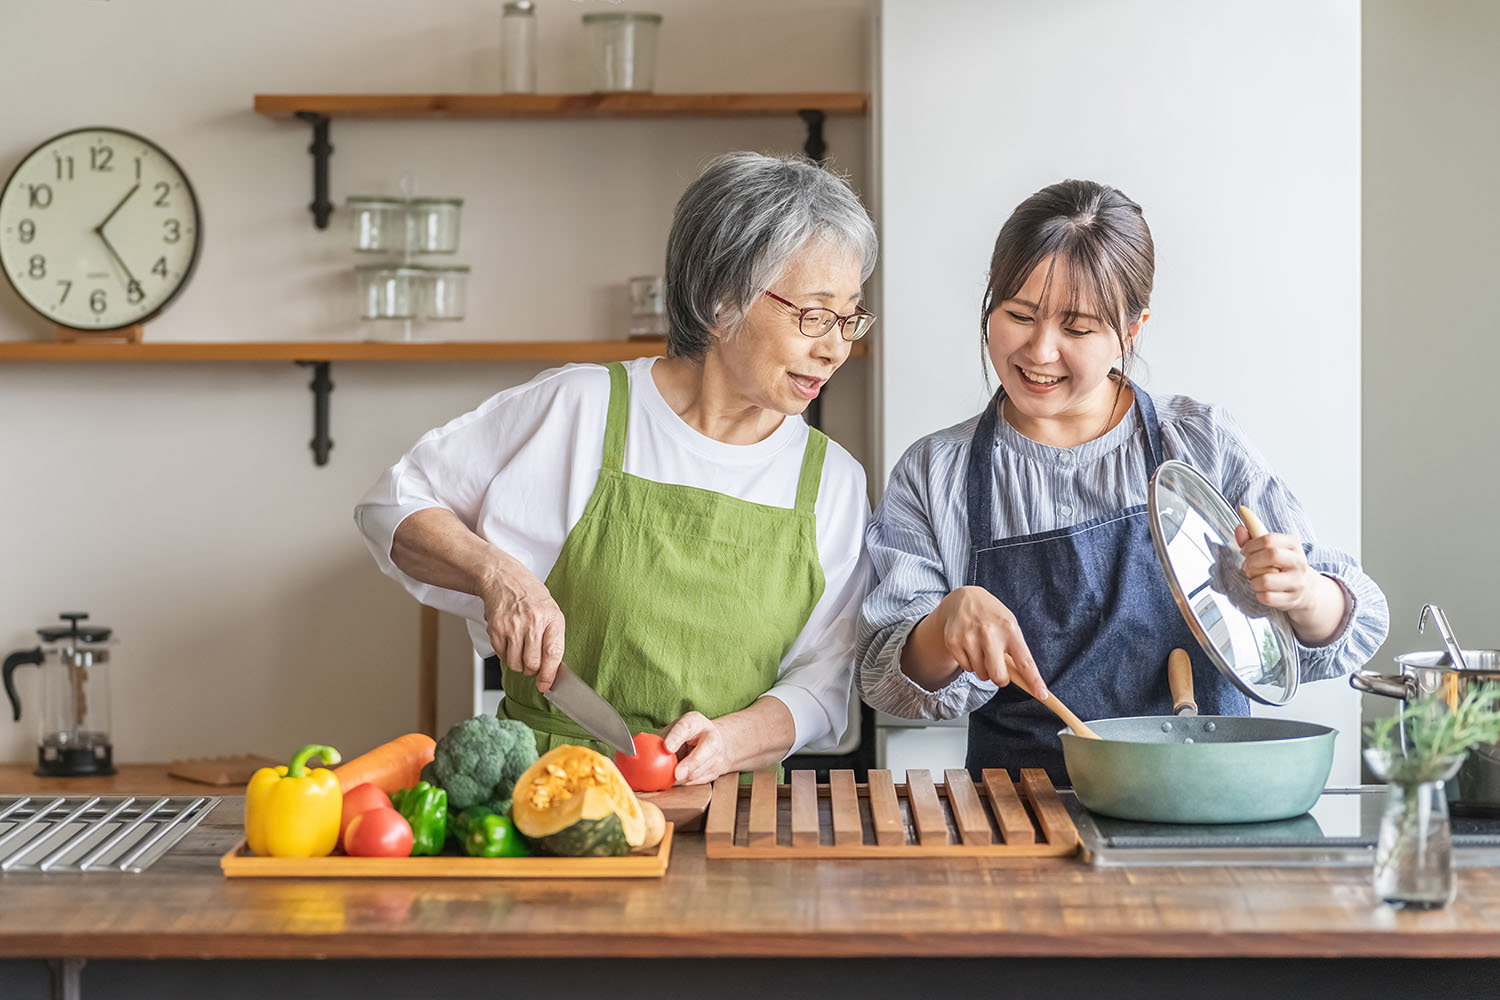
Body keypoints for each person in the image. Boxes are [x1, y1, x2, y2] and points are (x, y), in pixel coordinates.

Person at [355, 152, 877, 785]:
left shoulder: (835, 483)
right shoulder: (580, 408)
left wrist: (731, 741)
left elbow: (824, 682)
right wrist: (498, 577)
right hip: (545, 803)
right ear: (719, 301)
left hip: (726, 818)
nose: (836, 348)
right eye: (814, 315)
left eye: (849, 317)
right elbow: (393, 504)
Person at [855, 179, 1388, 783]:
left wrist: (1303, 594)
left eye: (1077, 329)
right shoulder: (936, 474)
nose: (1040, 350)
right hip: (1022, 818)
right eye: (1019, 315)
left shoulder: (1201, 444)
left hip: (1202, 806)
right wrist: (943, 626)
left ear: (1131, 330)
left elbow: (1352, 623)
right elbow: (885, 680)